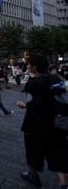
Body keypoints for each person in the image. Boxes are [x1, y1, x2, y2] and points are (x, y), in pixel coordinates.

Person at [16, 55, 67, 188]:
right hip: (58, 122)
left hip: (37, 124)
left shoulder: (34, 83)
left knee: (33, 151)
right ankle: (63, 184)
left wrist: (24, 105)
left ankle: (33, 176)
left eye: (28, 65)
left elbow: (35, 104)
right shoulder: (56, 78)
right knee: (57, 152)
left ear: (34, 67)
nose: (27, 67)